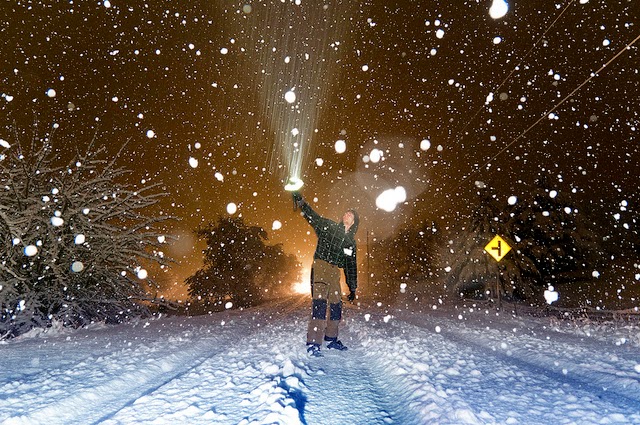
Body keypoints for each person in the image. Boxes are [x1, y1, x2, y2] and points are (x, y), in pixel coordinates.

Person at [292, 191, 359, 357]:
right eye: (346, 212)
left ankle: (331, 339)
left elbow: (350, 266)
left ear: (354, 222)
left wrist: (352, 288)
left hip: (334, 272)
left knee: (336, 305)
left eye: (350, 214)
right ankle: (313, 343)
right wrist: (302, 202)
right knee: (320, 304)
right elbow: (313, 217)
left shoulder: (350, 243)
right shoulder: (329, 227)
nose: (347, 214)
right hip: (321, 267)